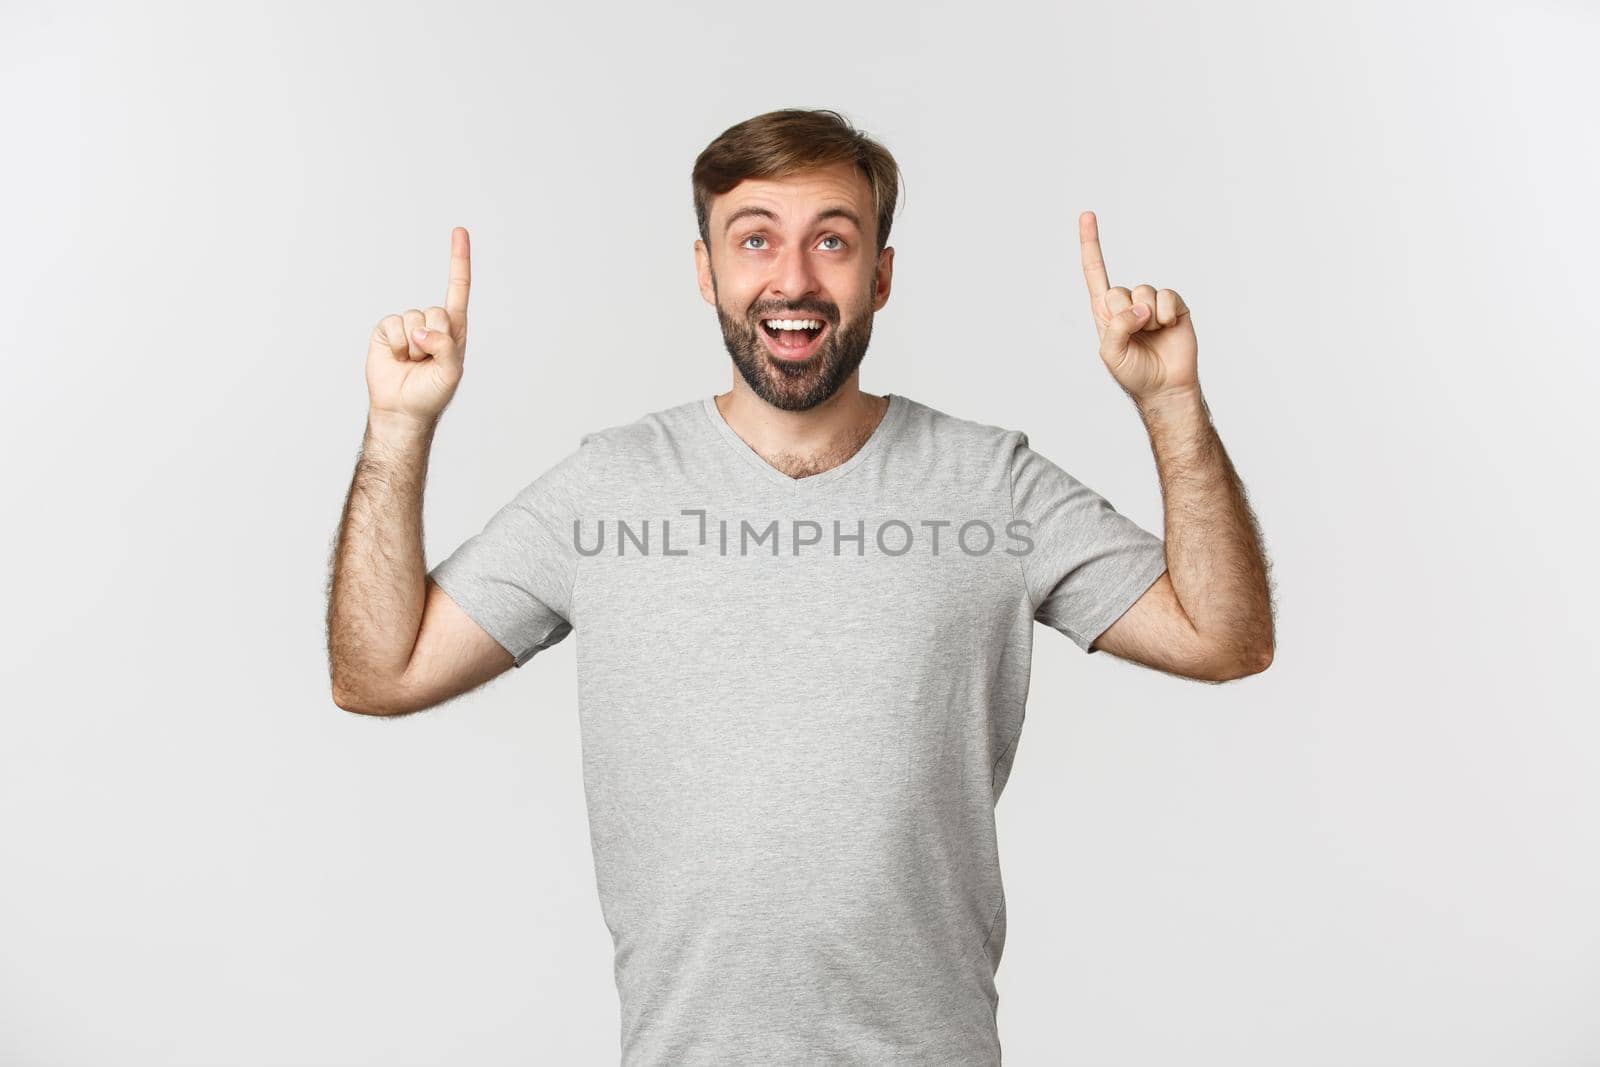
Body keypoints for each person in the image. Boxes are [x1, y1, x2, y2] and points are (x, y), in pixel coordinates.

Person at [326, 107, 1275, 1065]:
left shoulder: (993, 485)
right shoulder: (606, 489)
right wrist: (399, 428)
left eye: (832, 240)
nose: (793, 279)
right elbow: (380, 672)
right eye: (754, 240)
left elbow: (1222, 637)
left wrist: (1171, 404)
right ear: (705, 271)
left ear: (882, 275)